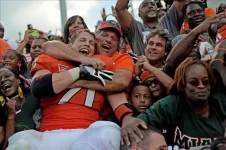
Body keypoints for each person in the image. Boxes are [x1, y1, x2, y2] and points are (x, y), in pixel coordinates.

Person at [121, 57, 226, 149]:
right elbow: (139, 123)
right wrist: (129, 121)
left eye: (205, 82)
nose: (201, 86)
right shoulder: (170, 105)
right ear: (182, 85)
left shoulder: (221, 103)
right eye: (193, 82)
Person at [165, 12, 226, 77]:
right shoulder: (175, 73)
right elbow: (170, 62)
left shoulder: (210, 68)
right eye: (187, 46)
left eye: (195, 43)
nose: (192, 48)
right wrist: (197, 30)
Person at [115, 0, 186, 56]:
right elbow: (120, 9)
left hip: (175, 70)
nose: (150, 6)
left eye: (153, 4)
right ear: (139, 14)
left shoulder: (170, 20)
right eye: (145, 6)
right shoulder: (135, 28)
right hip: (146, 72)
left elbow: (181, 1)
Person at [0, 67, 39, 149]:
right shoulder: (1, 111)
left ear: (18, 80)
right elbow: (7, 146)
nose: (3, 80)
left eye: (7, 76)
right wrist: (11, 116)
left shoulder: (35, 96)